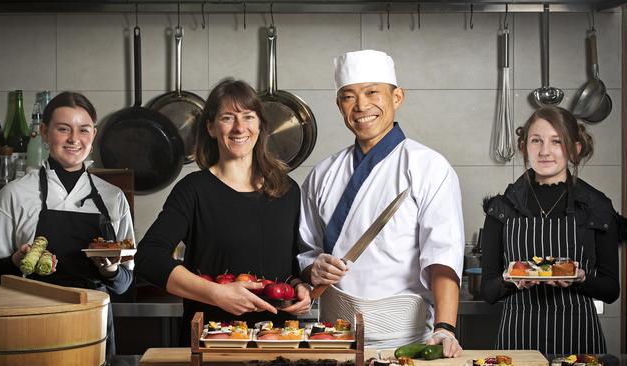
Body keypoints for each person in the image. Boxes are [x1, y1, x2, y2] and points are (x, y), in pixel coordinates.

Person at [297, 50, 464, 355]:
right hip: (334, 339)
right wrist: (312, 269)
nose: (361, 106)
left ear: (397, 97)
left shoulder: (429, 167)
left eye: (373, 92)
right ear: (339, 105)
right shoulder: (321, 175)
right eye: (349, 96)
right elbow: (305, 252)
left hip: (406, 342)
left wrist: (445, 327)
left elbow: (443, 256)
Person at [135, 78, 311, 346]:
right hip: (213, 341)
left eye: (248, 117)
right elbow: (149, 257)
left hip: (277, 341)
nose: (239, 127)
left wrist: (301, 287)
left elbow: (291, 265)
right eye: (228, 118)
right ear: (211, 127)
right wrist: (216, 294)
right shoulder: (193, 190)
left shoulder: (287, 190)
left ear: (260, 125)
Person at [0, 91, 135, 360]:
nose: (74, 139)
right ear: (44, 132)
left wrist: (111, 270)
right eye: (63, 129)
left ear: (94, 134)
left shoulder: (113, 198)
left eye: (83, 130)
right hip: (30, 327)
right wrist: (17, 260)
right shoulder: (15, 194)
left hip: (94, 328)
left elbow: (124, 284)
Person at [480, 106, 620, 354]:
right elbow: (489, 292)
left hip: (579, 340)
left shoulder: (597, 207)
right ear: (524, 147)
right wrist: (509, 280)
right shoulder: (501, 209)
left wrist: (581, 279)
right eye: (536, 141)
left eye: (557, 142)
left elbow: (611, 290)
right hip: (518, 342)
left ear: (574, 149)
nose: (545, 151)